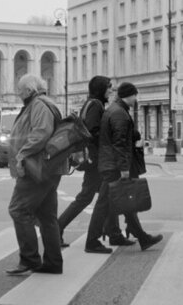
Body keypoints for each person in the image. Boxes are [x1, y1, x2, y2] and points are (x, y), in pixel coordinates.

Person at [85, 82, 163, 254]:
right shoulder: (119, 113)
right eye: (135, 95)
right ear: (129, 95)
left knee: (124, 201)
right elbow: (119, 143)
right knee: (104, 204)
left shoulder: (114, 109)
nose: (136, 99)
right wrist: (124, 168)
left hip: (109, 163)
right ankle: (92, 241)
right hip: (114, 165)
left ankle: (141, 237)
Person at [5, 73, 65, 276]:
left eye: (20, 92)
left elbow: (41, 132)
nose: (19, 95)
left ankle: (29, 259)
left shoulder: (38, 104)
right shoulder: (45, 102)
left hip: (36, 168)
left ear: (29, 91)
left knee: (18, 210)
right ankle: (53, 262)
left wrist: (22, 153)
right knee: (47, 216)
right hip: (48, 168)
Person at [58, 76, 113, 247]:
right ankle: (58, 228)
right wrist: (108, 137)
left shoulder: (91, 103)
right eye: (108, 87)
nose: (110, 90)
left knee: (103, 195)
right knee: (92, 197)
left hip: (93, 158)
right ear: (101, 89)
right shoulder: (95, 105)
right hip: (95, 160)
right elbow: (92, 131)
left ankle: (111, 230)